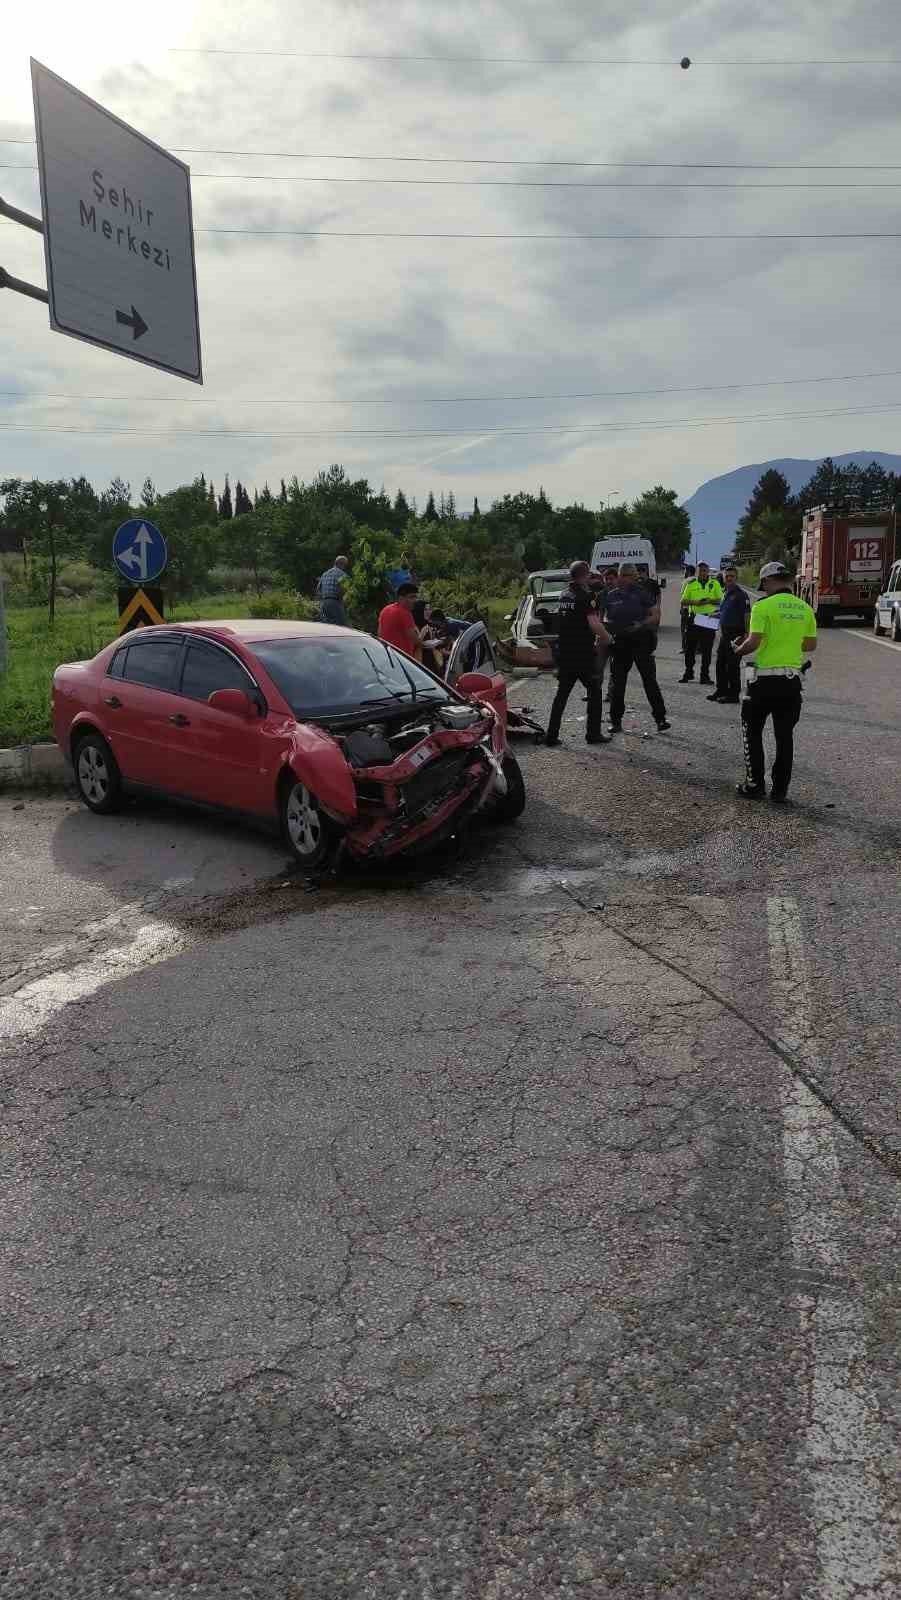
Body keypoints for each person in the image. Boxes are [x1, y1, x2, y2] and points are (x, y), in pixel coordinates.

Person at [733, 561, 817, 804]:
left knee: (752, 732)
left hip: (762, 681)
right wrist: (788, 641)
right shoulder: (805, 608)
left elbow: (753, 642)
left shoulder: (763, 606)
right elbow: (810, 645)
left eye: (764, 584)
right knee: (784, 737)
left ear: (768, 581)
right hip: (791, 682)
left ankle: (755, 785)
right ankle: (780, 791)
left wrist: (737, 649)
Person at [543, 561, 612, 747]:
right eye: (588, 574)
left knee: (561, 695)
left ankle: (551, 736)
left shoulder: (564, 595)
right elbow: (594, 624)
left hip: (565, 653)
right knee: (595, 691)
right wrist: (607, 638)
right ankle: (593, 734)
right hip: (582, 654)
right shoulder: (586, 596)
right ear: (585, 575)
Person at [601, 563, 670, 733]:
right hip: (620, 643)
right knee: (618, 683)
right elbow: (604, 617)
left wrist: (641, 624)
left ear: (634, 577)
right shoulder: (611, 595)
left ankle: (660, 719)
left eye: (628, 575)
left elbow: (655, 615)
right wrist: (609, 628)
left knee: (649, 681)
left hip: (641, 641)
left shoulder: (642, 593)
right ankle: (616, 721)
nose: (625, 579)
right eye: (622, 575)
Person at [708, 568, 751, 704]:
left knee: (732, 666)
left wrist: (746, 634)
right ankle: (721, 690)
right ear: (724, 578)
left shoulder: (741, 595)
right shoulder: (725, 593)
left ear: (736, 578)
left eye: (732, 576)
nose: (729, 578)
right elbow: (724, 611)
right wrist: (714, 614)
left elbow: (747, 615)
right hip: (725, 634)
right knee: (720, 663)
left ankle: (733, 695)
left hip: (736, 634)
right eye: (727, 576)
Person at [679, 560, 723, 684]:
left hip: (709, 619)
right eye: (700, 571)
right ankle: (688, 673)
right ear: (697, 572)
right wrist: (696, 603)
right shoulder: (691, 584)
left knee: (707, 650)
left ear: (708, 571)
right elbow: (683, 601)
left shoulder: (714, 584)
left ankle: (705, 676)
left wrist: (709, 601)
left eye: (704, 571)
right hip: (694, 619)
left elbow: (721, 601)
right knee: (690, 648)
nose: (702, 573)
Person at [377, 582, 429, 661]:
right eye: (411, 597)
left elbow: (379, 634)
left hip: (386, 656)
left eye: (415, 597)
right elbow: (416, 641)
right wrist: (423, 632)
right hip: (402, 659)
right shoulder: (405, 613)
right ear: (401, 598)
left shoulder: (385, 609)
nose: (415, 600)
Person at [316, 555, 350, 625]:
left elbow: (318, 589)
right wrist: (342, 601)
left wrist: (322, 600)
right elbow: (343, 589)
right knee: (340, 625)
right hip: (335, 602)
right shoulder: (342, 574)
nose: (344, 567)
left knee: (327, 626)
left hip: (324, 603)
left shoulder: (325, 574)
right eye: (345, 565)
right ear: (342, 564)